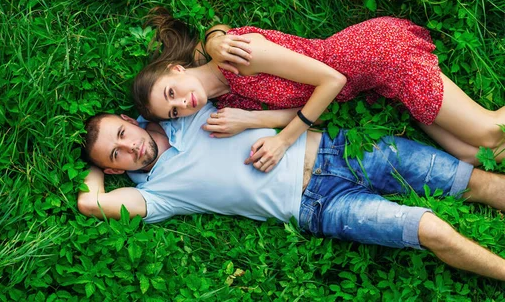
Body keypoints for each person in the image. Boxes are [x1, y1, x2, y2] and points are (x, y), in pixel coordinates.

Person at [78, 103, 505, 281]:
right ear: (114, 168)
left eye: (122, 133)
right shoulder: (155, 192)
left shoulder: (181, 106)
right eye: (116, 155)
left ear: (127, 118)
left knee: (476, 183)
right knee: (431, 229)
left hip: (341, 147)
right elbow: (90, 203)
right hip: (320, 205)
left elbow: (217, 48)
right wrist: (91, 171)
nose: (130, 147)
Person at [132, 8, 504, 169]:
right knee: (472, 155)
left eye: (171, 93)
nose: (183, 102)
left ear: (175, 68)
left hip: (375, 55)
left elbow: (332, 80)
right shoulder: (230, 97)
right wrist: (247, 120)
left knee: (489, 133)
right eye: (176, 112)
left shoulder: (240, 54)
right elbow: (305, 105)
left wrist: (284, 139)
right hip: (373, 81)